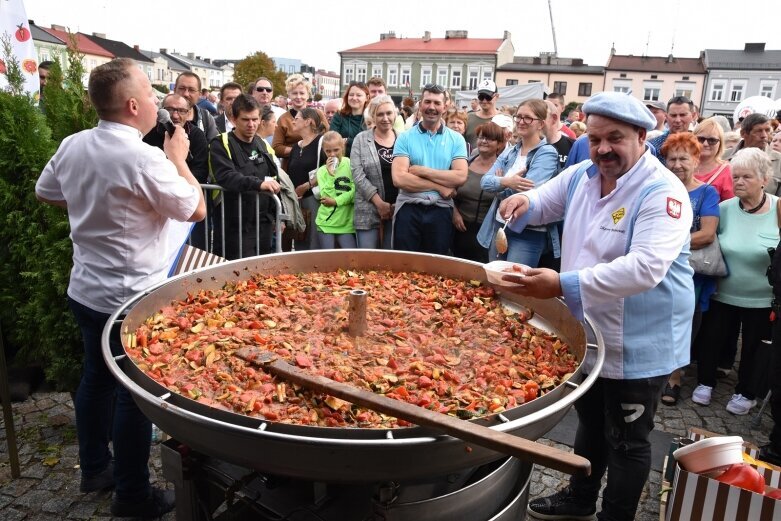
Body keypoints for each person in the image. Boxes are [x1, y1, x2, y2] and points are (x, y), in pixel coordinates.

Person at [498, 91, 693, 521]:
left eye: (615, 138)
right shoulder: (584, 172)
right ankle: (580, 498)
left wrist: (560, 284)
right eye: (595, 138)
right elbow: (544, 200)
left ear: (641, 136)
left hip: (640, 340)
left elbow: (644, 268)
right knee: (589, 422)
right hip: (588, 330)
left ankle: (615, 515)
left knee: (628, 439)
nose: (602, 148)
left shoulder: (662, 192)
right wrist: (523, 202)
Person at [35, 58, 205, 518]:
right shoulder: (143, 157)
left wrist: (95, 202)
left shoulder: (73, 145)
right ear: (133, 105)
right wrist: (179, 160)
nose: (155, 102)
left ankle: (95, 467)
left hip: (86, 290)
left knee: (94, 378)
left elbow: (46, 191)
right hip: (129, 300)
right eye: (151, 95)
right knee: (133, 393)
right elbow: (195, 209)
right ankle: (131, 496)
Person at [692, 148, 779, 414]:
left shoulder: (778, 208)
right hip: (722, 292)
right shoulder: (725, 209)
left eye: (747, 177)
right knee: (712, 339)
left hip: (762, 297)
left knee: (753, 347)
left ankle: (746, 391)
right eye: (736, 177)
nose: (738, 182)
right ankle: (705, 382)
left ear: (765, 179)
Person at [658, 133, 720, 406]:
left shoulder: (706, 192)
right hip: (658, 268)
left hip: (689, 272)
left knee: (683, 324)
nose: (677, 164)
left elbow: (707, 234)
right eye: (672, 158)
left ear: (696, 160)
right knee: (657, 319)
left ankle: (675, 377)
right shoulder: (659, 188)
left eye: (684, 158)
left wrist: (668, 244)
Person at [476, 99, 558, 266]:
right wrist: (509, 182)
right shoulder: (511, 151)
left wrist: (500, 186)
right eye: (518, 116)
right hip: (500, 224)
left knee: (515, 285)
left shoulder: (547, 153)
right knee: (495, 279)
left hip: (528, 231)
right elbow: (484, 182)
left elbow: (528, 192)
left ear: (541, 124)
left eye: (528, 118)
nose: (521, 121)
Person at [391, 83, 468, 254]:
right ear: (420, 104)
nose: (431, 107)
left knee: (435, 266)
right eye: (427, 102)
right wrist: (439, 186)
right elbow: (399, 179)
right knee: (403, 264)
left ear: (445, 107)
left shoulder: (456, 140)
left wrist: (423, 171)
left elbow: (461, 176)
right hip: (409, 208)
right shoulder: (405, 137)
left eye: (436, 103)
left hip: (440, 210)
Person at [209, 94, 281, 260]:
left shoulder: (262, 143)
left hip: (263, 222)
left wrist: (278, 216)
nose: (251, 124)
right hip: (235, 224)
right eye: (245, 119)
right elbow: (226, 176)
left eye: (255, 119)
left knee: (262, 273)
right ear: (234, 119)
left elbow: (274, 177)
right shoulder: (220, 143)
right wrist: (258, 184)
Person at [143, 93, 210, 250]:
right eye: (170, 109)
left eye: (181, 110)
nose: (175, 115)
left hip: (186, 204)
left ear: (188, 113)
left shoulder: (196, 135)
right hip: (157, 206)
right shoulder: (149, 134)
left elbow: (200, 172)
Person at [453, 122, 505, 263]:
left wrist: (500, 184)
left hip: (486, 232)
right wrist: (454, 212)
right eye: (481, 137)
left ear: (499, 144)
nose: (483, 141)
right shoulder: (465, 164)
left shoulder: (503, 170)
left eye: (489, 138)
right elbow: (450, 191)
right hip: (459, 228)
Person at [351, 95, 398, 249]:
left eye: (389, 113)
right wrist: (379, 203)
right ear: (373, 116)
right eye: (380, 114)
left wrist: (395, 204)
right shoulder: (361, 139)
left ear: (395, 114)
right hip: (367, 207)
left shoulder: (403, 139)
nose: (385, 118)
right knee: (367, 260)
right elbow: (357, 174)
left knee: (391, 261)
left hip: (397, 208)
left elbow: (409, 171)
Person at [282, 107, 327, 251]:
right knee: (300, 238)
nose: (293, 122)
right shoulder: (296, 146)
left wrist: (308, 185)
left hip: (314, 199)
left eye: (297, 119)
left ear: (308, 122)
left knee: (313, 241)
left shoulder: (322, 142)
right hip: (297, 200)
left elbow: (331, 167)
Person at [272, 74, 328, 170]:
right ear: (289, 95)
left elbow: (329, 137)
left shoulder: (318, 114)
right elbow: (276, 148)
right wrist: (300, 150)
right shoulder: (283, 119)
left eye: (302, 93)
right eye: (294, 93)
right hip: (292, 167)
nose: (298, 96)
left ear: (308, 95)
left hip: (318, 166)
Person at [315, 131, 356, 248]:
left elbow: (354, 192)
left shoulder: (350, 164)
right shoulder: (322, 171)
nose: (332, 154)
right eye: (328, 151)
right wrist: (330, 175)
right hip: (326, 223)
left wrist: (336, 201)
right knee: (328, 261)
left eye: (336, 150)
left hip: (346, 224)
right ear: (324, 150)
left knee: (350, 260)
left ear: (343, 147)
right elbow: (325, 197)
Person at [723, 113, 781, 195]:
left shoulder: (779, 161)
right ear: (743, 133)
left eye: (767, 130)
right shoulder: (723, 157)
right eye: (758, 131)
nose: (764, 135)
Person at [693, 118, 734, 202]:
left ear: (720, 143)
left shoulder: (728, 171)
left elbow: (730, 206)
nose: (705, 144)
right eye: (701, 139)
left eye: (712, 140)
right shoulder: (682, 164)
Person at [647, 95, 695, 164]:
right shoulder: (653, 147)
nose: (678, 120)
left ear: (692, 116)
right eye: (673, 115)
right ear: (666, 117)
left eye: (683, 115)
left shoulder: (701, 145)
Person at [174, 72, 218, 142]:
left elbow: (213, 148)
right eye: (182, 88)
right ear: (174, 90)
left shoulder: (206, 118)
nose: (186, 94)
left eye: (191, 90)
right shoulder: (160, 117)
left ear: (199, 94)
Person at [329, 81, 369, 157]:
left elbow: (370, 142)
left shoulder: (371, 118)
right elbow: (333, 140)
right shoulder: (339, 116)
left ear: (367, 98)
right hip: (343, 161)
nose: (354, 98)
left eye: (359, 95)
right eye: (351, 95)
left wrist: (347, 141)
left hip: (365, 161)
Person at [464, 79, 500, 149]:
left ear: (497, 96)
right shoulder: (468, 117)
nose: (484, 100)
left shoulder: (504, 119)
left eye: (488, 97)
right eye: (481, 97)